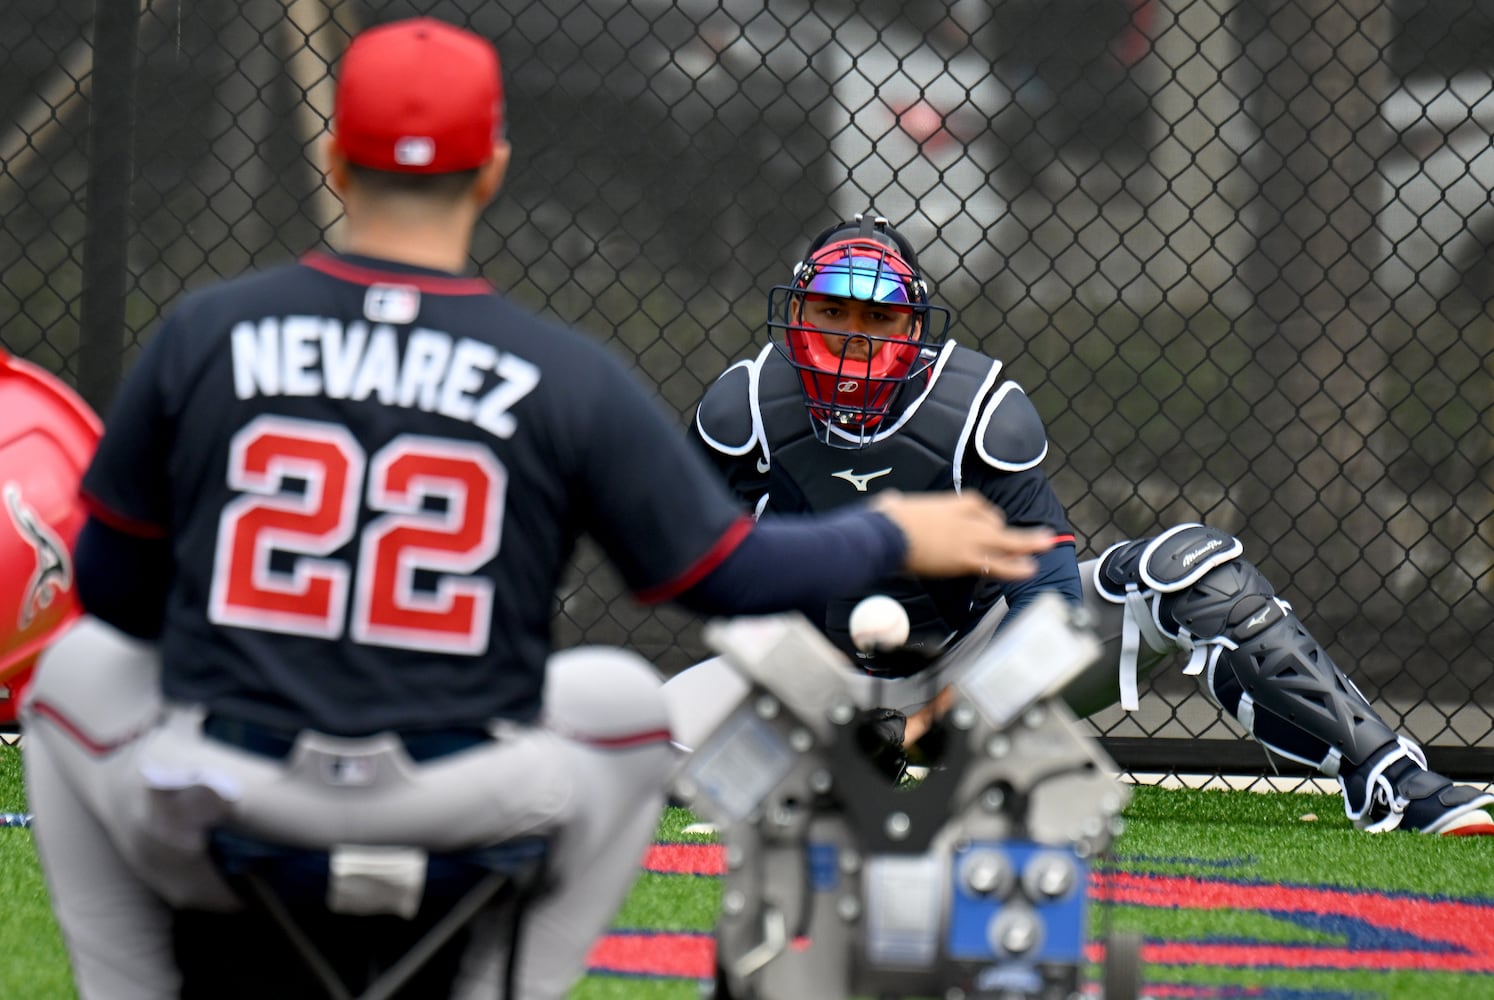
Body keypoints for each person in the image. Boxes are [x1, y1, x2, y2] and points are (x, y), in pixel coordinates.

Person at [18, 20, 1059, 1000]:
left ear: (332, 161)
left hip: (231, 793)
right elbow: (715, 571)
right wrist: (889, 532)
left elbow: (111, 588)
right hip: (455, 807)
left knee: (73, 670)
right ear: (493, 171)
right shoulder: (560, 373)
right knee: (614, 695)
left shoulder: (205, 333)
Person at [663, 209, 1494, 838]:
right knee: (628, 740)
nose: (852, 340)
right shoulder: (744, 410)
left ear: (914, 330)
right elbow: (706, 574)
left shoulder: (979, 411)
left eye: (876, 320)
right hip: (813, 676)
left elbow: (1051, 602)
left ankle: (1391, 781)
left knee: (1194, 569)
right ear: (796, 316)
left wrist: (932, 719)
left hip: (972, 659)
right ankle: (816, 767)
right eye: (832, 316)